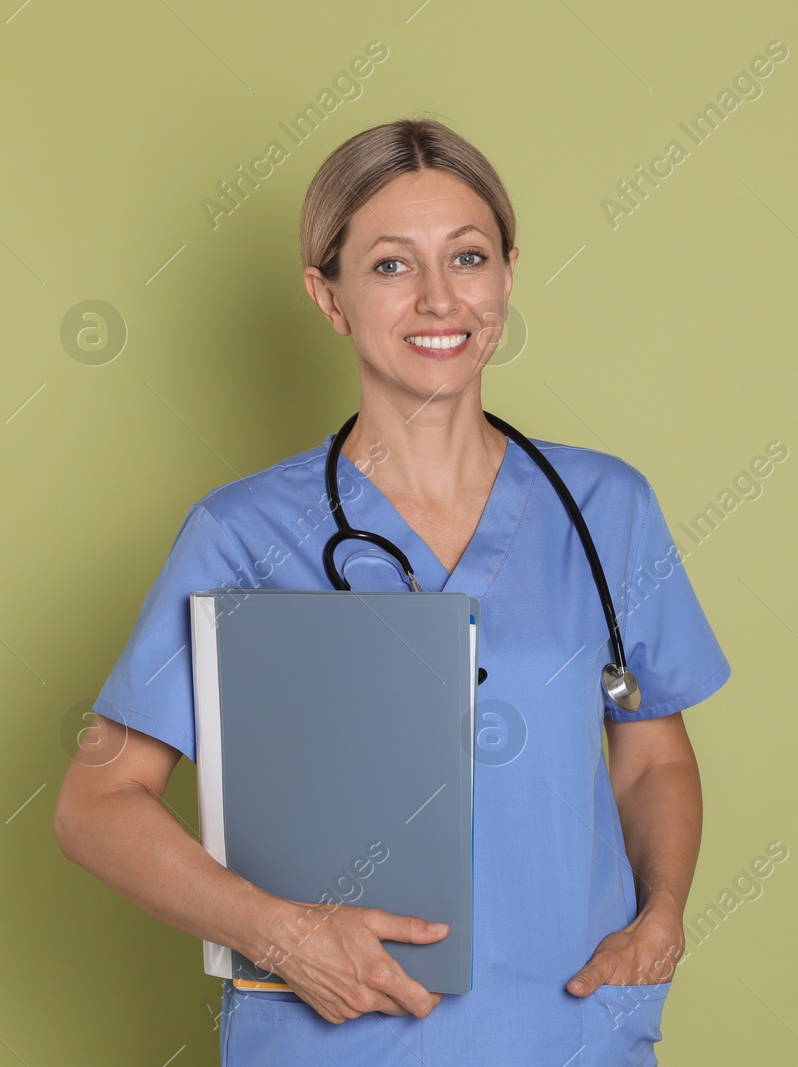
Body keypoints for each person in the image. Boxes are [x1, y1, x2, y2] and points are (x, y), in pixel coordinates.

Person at [53, 117, 731, 1066]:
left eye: (468, 256)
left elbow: (654, 757)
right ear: (326, 296)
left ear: (506, 273)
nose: (439, 298)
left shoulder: (604, 506)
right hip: (337, 1037)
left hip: (569, 1028)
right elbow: (97, 800)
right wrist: (280, 933)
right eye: (389, 266)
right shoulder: (241, 534)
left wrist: (660, 916)